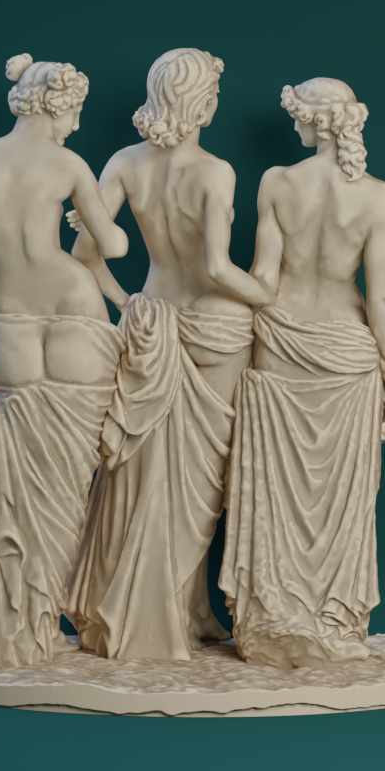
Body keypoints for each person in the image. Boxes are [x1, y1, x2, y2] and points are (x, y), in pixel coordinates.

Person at [63, 48, 275, 661]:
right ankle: (172, 613)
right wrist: (267, 294)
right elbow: (217, 268)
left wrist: (127, 302)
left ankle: (184, 609)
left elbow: (84, 254)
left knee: (142, 476)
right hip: (216, 327)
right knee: (200, 485)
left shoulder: (124, 163)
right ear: (202, 103)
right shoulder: (215, 171)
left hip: (152, 321)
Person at [0, 54, 129, 669]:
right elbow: (114, 244)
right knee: (67, 479)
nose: (76, 125)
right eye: (76, 111)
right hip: (75, 308)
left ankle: (16, 628)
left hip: (8, 319)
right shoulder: (69, 165)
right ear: (57, 106)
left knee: (17, 476)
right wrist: (84, 221)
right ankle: (40, 625)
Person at [219, 78, 385, 669]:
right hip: (348, 351)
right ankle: (331, 620)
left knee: (274, 492)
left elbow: (263, 279)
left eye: (299, 116)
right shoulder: (380, 196)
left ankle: (274, 618)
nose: (295, 126)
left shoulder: (278, 182)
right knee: (340, 500)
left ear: (316, 122)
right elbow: (382, 298)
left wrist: (207, 273)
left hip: (281, 340)